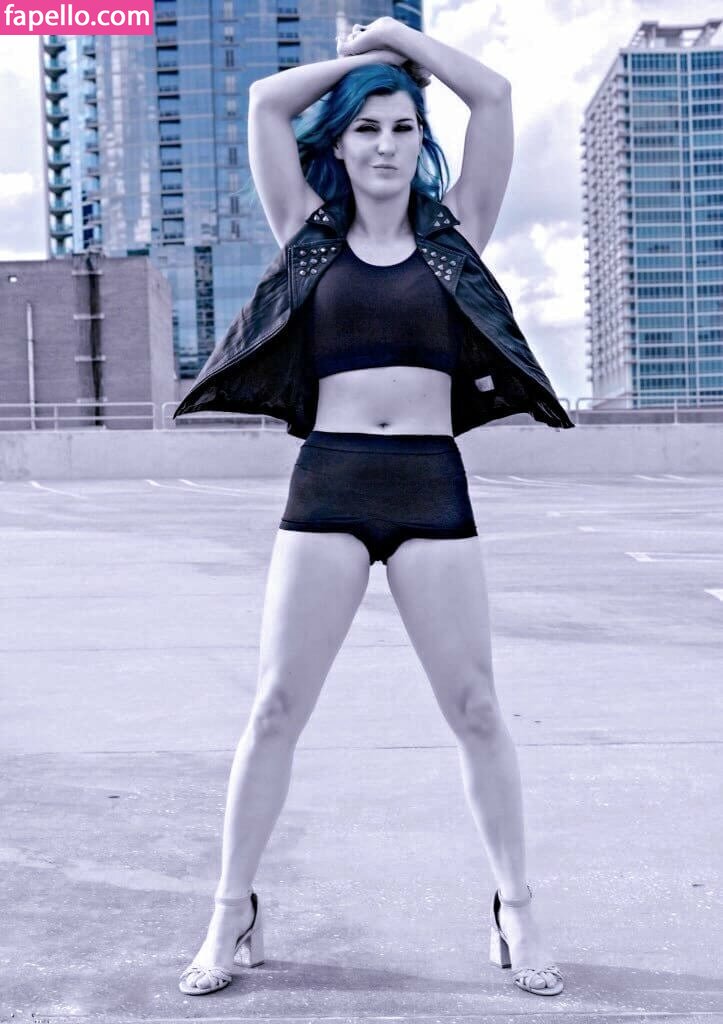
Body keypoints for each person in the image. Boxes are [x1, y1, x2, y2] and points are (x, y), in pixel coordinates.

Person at [179, 16, 566, 999]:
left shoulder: (456, 232)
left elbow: (493, 98)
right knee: (274, 705)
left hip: (429, 482)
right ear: (343, 144)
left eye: (402, 128)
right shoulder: (305, 231)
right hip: (331, 483)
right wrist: (364, 64)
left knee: (476, 707)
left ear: (420, 143)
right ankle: (231, 909)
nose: (386, 146)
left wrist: (402, 38)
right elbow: (267, 102)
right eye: (367, 129)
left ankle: (514, 906)